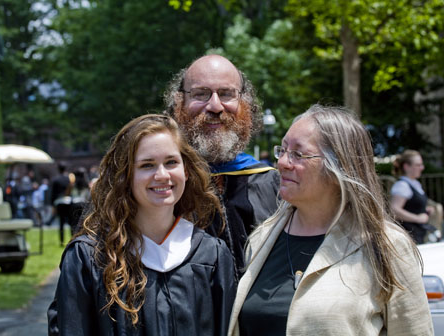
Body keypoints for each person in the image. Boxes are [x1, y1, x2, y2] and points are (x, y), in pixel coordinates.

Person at [228, 105, 433, 335]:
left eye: (298, 153)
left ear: (340, 168)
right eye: (282, 150)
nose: (282, 163)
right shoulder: (262, 237)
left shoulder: (385, 245)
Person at [47, 114, 236, 336]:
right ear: (125, 176)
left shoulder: (211, 256)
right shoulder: (90, 258)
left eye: (171, 162)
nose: (162, 175)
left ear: (186, 170)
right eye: (147, 165)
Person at [164, 54, 280, 278]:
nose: (215, 106)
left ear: (244, 104)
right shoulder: (157, 185)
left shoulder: (277, 188)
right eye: (201, 94)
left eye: (226, 94)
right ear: (179, 104)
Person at [390, 150, 437, 244]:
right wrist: (417, 218)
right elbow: (394, 210)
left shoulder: (415, 184)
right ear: (406, 166)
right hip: (410, 237)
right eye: (418, 165)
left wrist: (424, 210)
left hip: (419, 234)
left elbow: (411, 207)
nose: (422, 168)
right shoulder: (402, 185)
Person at [49, 162, 73, 245]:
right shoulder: (69, 179)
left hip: (59, 202)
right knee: (70, 222)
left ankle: (61, 241)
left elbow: (53, 193)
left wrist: (52, 204)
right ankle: (72, 238)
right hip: (68, 201)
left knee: (61, 222)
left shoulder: (55, 179)